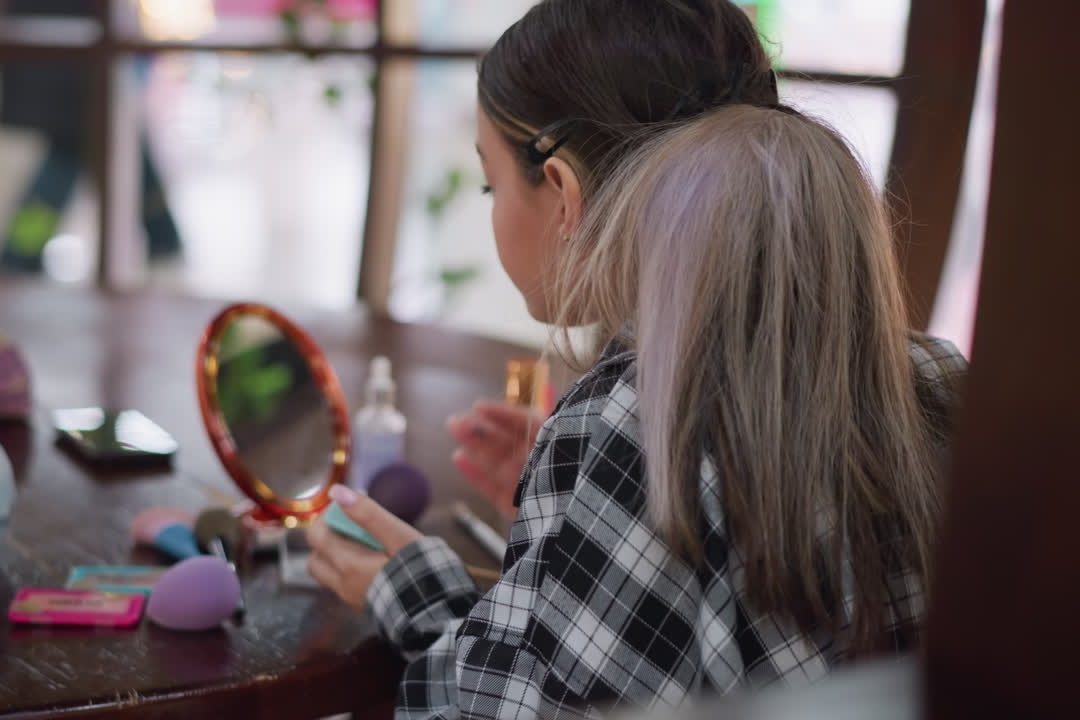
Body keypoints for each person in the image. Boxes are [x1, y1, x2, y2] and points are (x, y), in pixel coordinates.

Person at [307, 1, 967, 717]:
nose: (493, 204)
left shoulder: (640, 426)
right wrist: (580, 522)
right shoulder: (941, 379)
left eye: (490, 185)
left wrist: (419, 592)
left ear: (561, 192)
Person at [0, 0, 180, 273]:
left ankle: (163, 236)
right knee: (57, 173)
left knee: (131, 155)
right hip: (74, 71)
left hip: (77, 63)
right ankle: (18, 252)